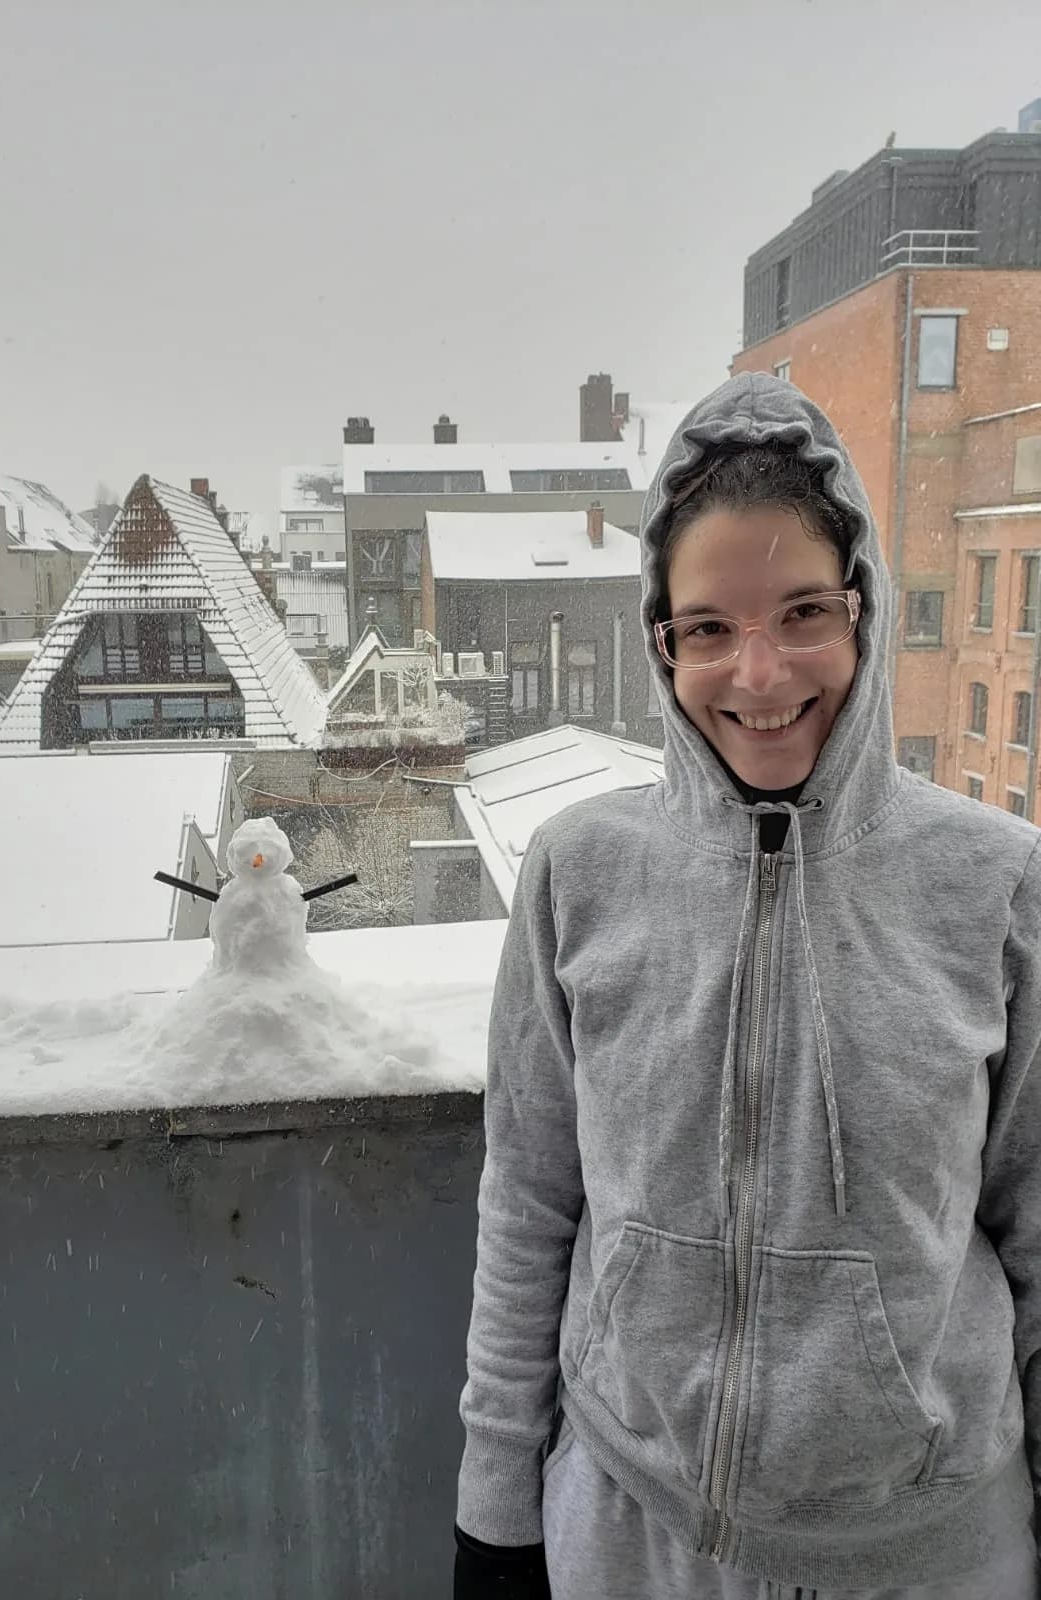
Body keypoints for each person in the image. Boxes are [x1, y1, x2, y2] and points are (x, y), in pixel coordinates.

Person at [452, 373, 1041, 1599]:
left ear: (863, 612)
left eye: (802, 614)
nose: (760, 677)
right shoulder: (581, 875)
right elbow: (528, 1207)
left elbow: (1038, 1233)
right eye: (709, 627)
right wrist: (494, 1514)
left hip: (928, 1557)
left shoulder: (994, 887)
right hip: (630, 1536)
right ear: (661, 642)